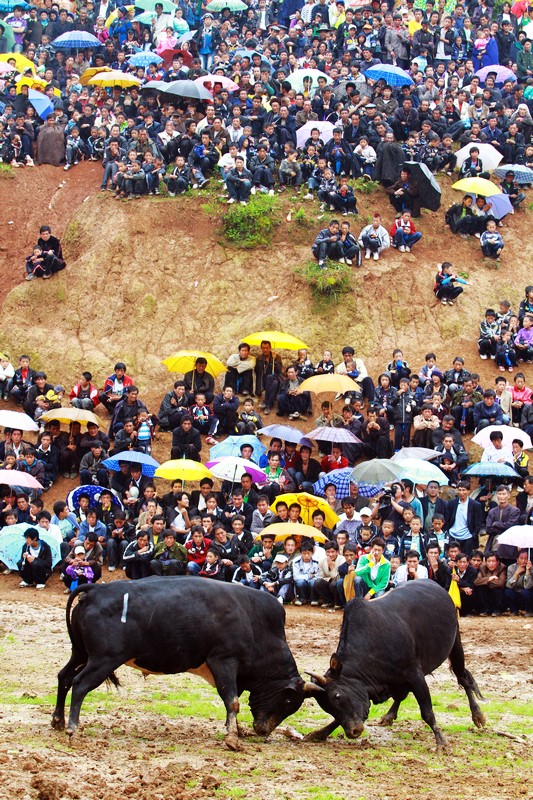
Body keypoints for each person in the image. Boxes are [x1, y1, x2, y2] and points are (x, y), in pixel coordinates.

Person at [504, 550, 533, 616]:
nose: (523, 561)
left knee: (525, 592)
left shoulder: (531, 568)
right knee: (507, 592)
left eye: (526, 558)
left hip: (527, 594)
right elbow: (508, 585)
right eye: (521, 558)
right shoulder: (511, 567)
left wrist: (528, 572)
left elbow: (528, 586)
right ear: (517, 559)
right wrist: (516, 573)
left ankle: (529, 611)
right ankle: (514, 611)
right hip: (516, 592)